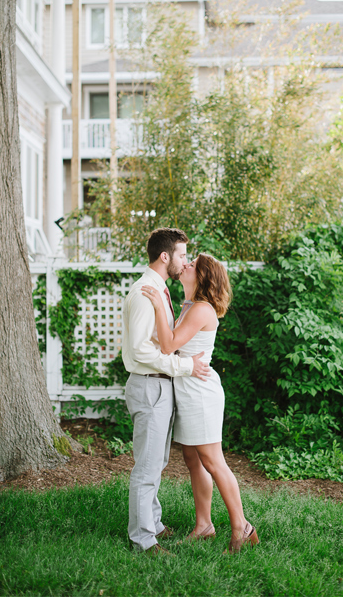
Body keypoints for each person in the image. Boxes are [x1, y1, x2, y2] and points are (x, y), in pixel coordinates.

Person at [141, 253, 260, 554]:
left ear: (203, 276)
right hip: (186, 387)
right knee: (193, 460)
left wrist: (156, 304)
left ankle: (242, 528)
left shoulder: (202, 310)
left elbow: (168, 345)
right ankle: (204, 525)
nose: (186, 264)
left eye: (192, 264)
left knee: (213, 461)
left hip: (200, 392)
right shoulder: (189, 305)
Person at [121, 227, 210, 555]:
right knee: (146, 466)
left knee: (155, 462)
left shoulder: (158, 288)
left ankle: (153, 522)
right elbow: (141, 350)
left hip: (158, 385)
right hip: (149, 385)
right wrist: (186, 367)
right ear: (165, 256)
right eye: (183, 255)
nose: (185, 261)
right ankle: (144, 539)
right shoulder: (146, 291)